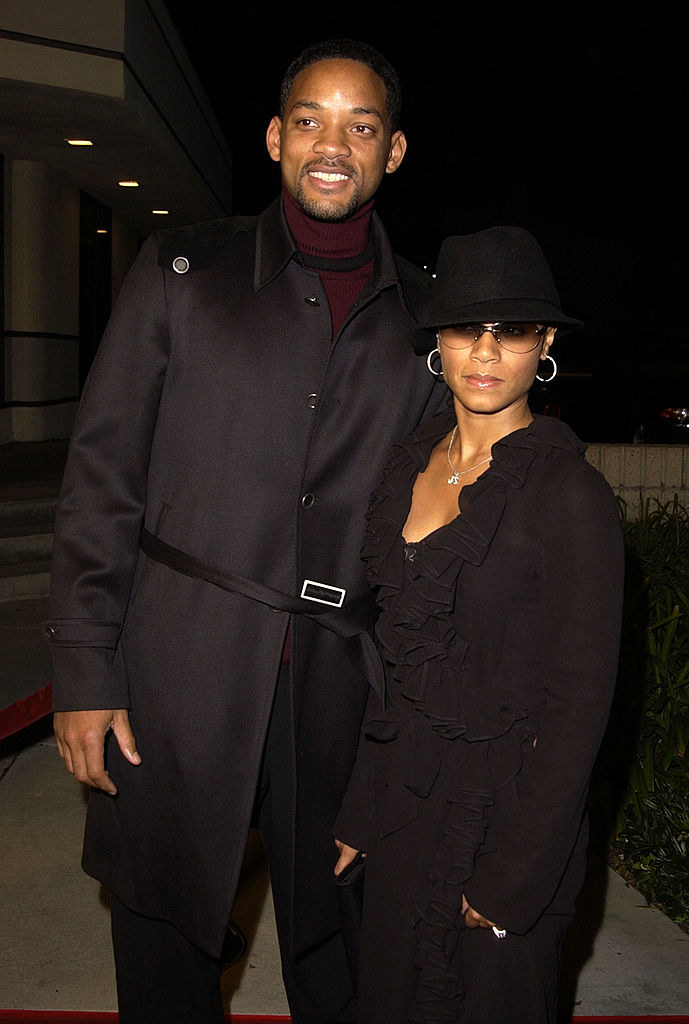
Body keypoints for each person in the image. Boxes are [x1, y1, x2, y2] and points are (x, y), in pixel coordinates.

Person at [44, 39, 446, 1024]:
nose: (331, 144)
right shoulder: (184, 268)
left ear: (392, 151)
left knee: (341, 936)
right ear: (274, 136)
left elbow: (440, 534)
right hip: (178, 665)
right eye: (309, 119)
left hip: (343, 685)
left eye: (361, 125)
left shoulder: (435, 322)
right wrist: (86, 671)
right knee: (161, 920)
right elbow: (102, 478)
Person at [334, 226, 625, 1023]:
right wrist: (363, 808)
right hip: (401, 807)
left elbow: (578, 710)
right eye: (467, 328)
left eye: (514, 331)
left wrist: (513, 877)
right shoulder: (408, 466)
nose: (487, 352)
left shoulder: (570, 496)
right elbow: (390, 664)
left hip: (503, 818)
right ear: (437, 339)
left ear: (546, 343)